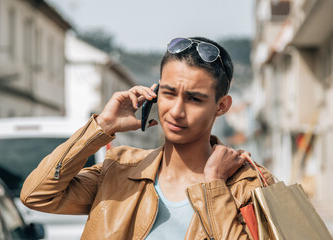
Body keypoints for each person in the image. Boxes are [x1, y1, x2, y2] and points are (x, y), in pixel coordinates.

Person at [21, 37, 274, 239]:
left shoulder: (249, 184)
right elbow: (36, 195)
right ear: (155, 94)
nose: (176, 111)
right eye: (169, 93)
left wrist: (215, 186)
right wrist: (102, 126)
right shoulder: (120, 169)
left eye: (194, 99)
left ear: (222, 106)